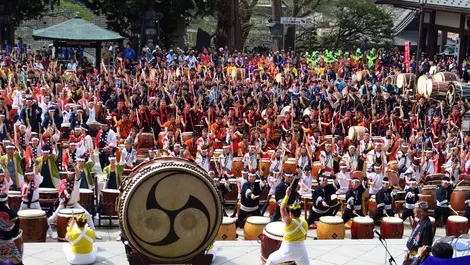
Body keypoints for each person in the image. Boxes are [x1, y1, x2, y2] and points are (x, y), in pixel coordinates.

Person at [48, 169, 102, 240]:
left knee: (88, 215)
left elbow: (78, 173)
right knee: (52, 218)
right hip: (64, 205)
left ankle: (93, 233)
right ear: (67, 174)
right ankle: (50, 232)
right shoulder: (63, 181)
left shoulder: (76, 182)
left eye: (72, 174)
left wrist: (74, 165)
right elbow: (64, 188)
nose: (71, 176)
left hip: (75, 204)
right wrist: (67, 194)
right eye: (69, 174)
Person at [265, 187, 309, 265]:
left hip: (288, 249)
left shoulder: (289, 222)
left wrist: (287, 195)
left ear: (290, 213)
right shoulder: (305, 223)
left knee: (271, 259)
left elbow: (282, 208)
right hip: (301, 250)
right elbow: (304, 236)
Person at [0, 192, 22, 265]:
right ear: (7, 201)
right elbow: (15, 233)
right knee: (18, 263)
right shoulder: (13, 214)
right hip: (7, 245)